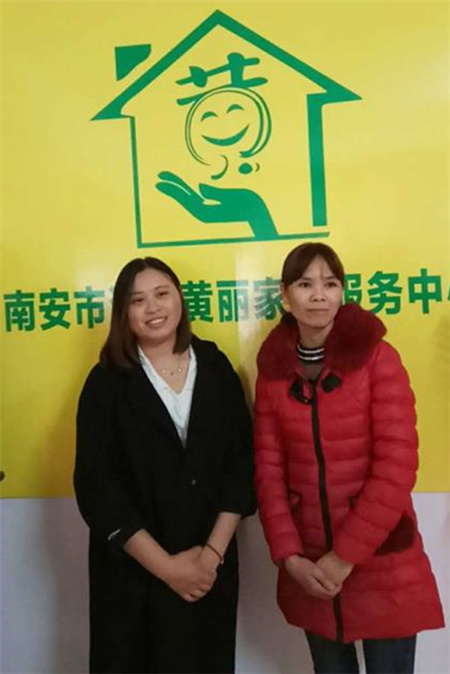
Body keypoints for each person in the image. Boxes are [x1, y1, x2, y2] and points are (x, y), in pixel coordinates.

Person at [254, 243, 444, 674]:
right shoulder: (273, 372)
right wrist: (290, 557)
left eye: (330, 283)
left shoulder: (378, 358)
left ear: (342, 291)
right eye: (305, 284)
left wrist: (344, 557)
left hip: (381, 563)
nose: (318, 295)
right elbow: (268, 470)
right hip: (311, 568)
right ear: (285, 295)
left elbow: (396, 467)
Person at [74, 257, 255, 674]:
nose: (153, 308)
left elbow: (241, 465)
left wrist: (210, 557)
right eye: (137, 300)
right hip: (134, 575)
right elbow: (97, 488)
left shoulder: (214, 366)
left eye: (162, 294)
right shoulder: (105, 382)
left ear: (180, 300)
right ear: (123, 313)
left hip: (208, 570)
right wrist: (168, 568)